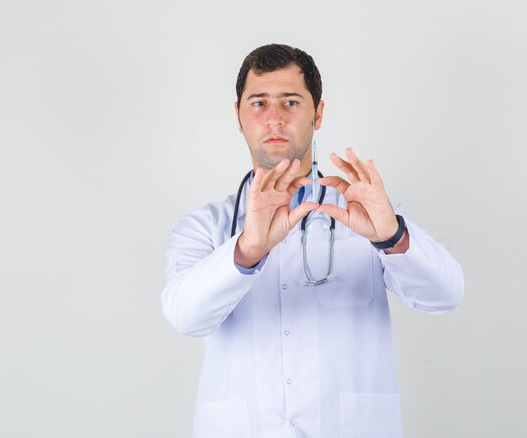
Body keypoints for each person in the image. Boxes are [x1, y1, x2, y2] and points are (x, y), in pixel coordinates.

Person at [162, 44, 464, 438]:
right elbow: (185, 317)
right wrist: (247, 251)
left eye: (290, 102)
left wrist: (391, 236)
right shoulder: (206, 227)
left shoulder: (368, 214)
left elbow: (446, 295)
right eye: (258, 103)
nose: (274, 118)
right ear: (238, 116)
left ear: (317, 114)